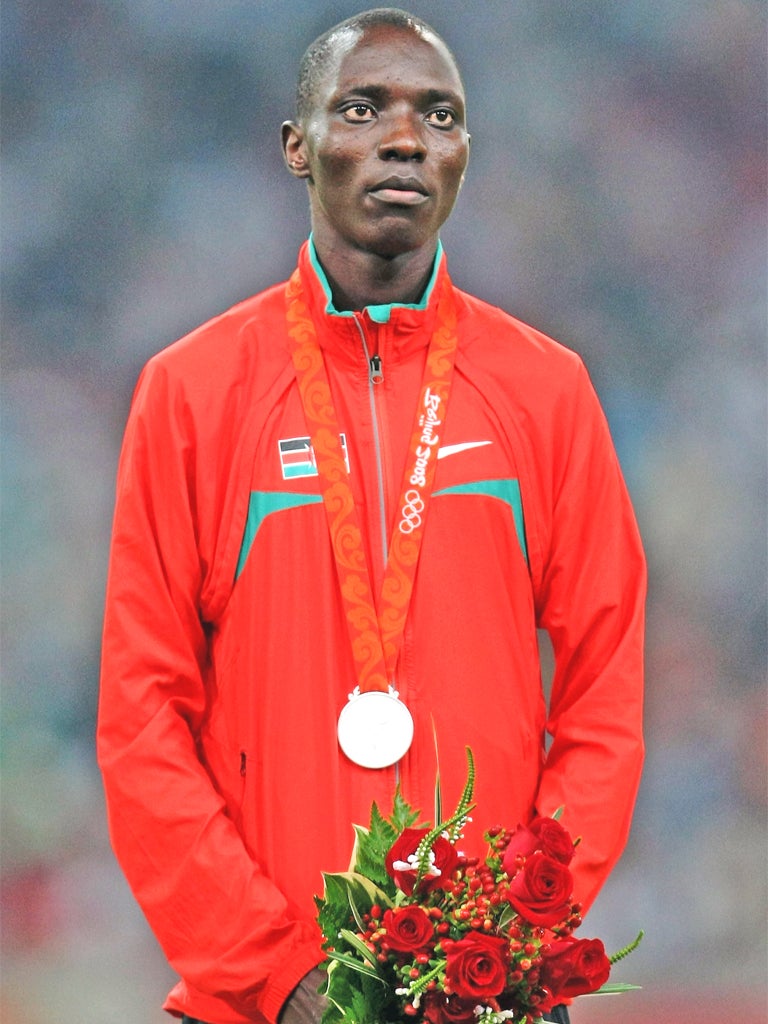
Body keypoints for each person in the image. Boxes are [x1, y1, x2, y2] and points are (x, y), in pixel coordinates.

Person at [97, 9, 645, 1024]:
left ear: (465, 157)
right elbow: (141, 720)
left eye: (439, 115)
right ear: (298, 146)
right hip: (256, 1002)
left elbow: (606, 694)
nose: (405, 137)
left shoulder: (546, 390)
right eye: (364, 107)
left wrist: (515, 932)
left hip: (490, 995)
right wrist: (280, 971)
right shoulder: (193, 392)